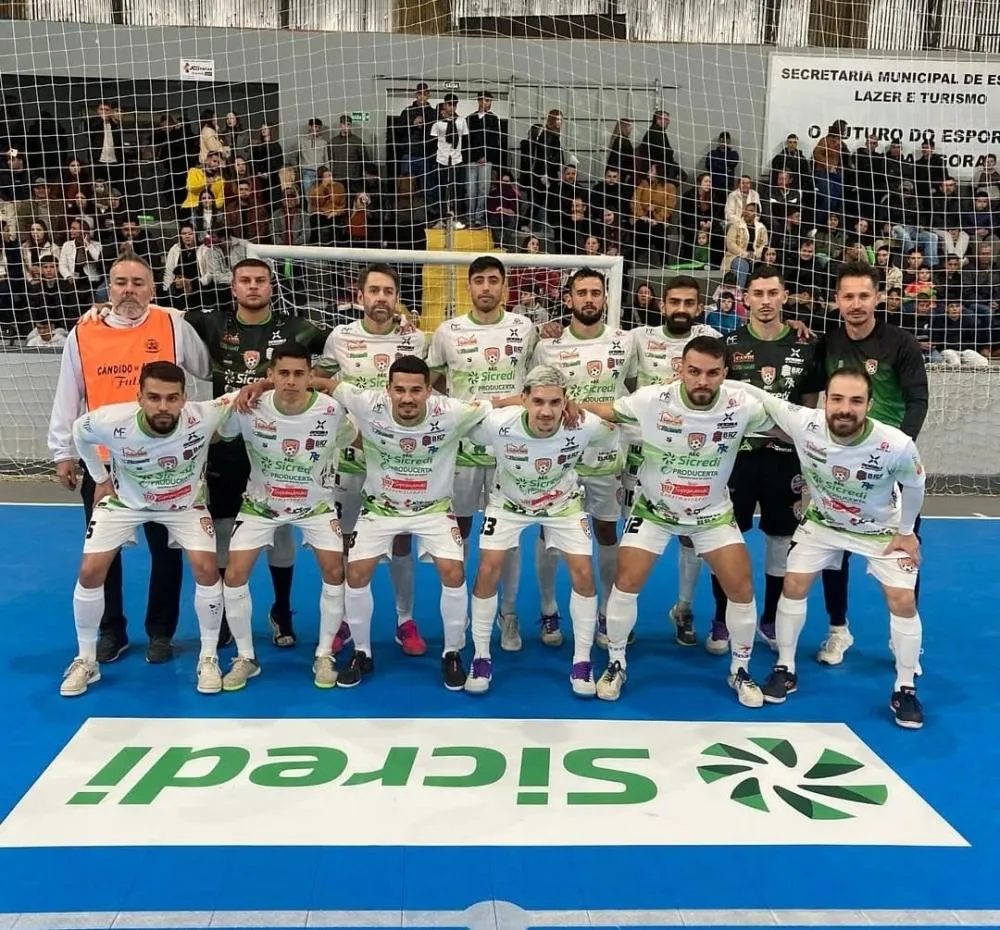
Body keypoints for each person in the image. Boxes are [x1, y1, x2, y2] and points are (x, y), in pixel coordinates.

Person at [582, 336, 773, 707]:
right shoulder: (652, 399)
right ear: (680, 370)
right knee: (626, 582)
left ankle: (741, 668)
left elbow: (790, 423)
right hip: (653, 511)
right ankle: (617, 662)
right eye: (694, 371)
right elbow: (606, 411)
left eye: (712, 373)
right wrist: (568, 407)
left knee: (742, 587)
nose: (703, 381)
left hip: (711, 515)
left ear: (725, 374)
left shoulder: (742, 405)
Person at [47, 255, 211, 664]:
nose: (129, 291)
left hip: (167, 458)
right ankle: (110, 631)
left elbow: (207, 368)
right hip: (105, 465)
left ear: (152, 290)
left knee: (167, 550)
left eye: (139, 283)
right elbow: (68, 393)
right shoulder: (83, 332)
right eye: (120, 282)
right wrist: (62, 451)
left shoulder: (172, 324)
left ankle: (161, 632)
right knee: (105, 554)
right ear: (108, 288)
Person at [745, 369, 927, 728]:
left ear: (869, 405)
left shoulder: (896, 444)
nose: (846, 409)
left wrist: (907, 532)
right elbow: (760, 396)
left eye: (856, 401)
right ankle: (785, 666)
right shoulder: (805, 422)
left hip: (879, 531)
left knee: (902, 601)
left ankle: (905, 687)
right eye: (838, 399)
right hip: (824, 524)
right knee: (793, 584)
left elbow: (916, 484)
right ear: (826, 400)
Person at [63, 361, 234, 697]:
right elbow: (79, 432)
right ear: (138, 396)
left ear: (185, 398)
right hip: (125, 503)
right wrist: (99, 478)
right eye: (154, 397)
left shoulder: (205, 414)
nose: (163, 406)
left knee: (206, 568)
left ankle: (209, 656)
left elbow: (243, 394)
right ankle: (86, 660)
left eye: (172, 398)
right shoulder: (112, 421)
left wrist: (257, 389)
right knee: (90, 571)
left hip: (184, 506)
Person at [185, 258, 330, 649]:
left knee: (279, 528)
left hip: (277, 447)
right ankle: (227, 617)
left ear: (272, 286)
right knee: (224, 527)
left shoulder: (297, 329)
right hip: (228, 444)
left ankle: (281, 610)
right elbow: (161, 315)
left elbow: (343, 345)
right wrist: (105, 308)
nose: (253, 287)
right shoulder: (211, 324)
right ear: (233, 287)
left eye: (261, 281)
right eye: (245, 281)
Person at [334, 355, 493, 690]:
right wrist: (261, 385)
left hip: (433, 510)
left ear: (428, 392)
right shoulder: (366, 403)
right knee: (356, 572)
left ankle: (451, 652)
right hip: (380, 509)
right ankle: (362, 653)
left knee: (454, 571)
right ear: (387, 389)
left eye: (416, 390)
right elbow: (326, 385)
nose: (407, 398)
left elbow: (494, 404)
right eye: (400, 390)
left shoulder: (451, 411)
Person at [464, 365, 614, 696]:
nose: (546, 411)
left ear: (565, 403)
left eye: (555, 402)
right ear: (526, 400)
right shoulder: (498, 424)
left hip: (563, 506)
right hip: (507, 504)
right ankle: (481, 656)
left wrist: (584, 408)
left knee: (584, 574)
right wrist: (498, 402)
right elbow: (466, 417)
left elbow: (619, 422)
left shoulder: (583, 425)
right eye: (539, 402)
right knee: (488, 568)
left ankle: (582, 661)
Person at [216, 343, 354, 691]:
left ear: (311, 377)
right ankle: (245, 657)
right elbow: (218, 433)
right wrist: (243, 394)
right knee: (234, 573)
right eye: (283, 373)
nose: (290, 381)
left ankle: (324, 653)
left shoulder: (332, 410)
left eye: (298, 374)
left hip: (316, 506)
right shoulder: (250, 407)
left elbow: (359, 441)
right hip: (260, 506)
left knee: (335, 569)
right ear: (270, 377)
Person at [812, 262, 929, 666]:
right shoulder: (828, 343)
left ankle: (903, 633)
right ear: (837, 301)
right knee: (833, 550)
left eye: (864, 295)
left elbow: (918, 401)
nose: (856, 304)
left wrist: (898, 453)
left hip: (890, 470)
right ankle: (837, 630)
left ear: (878, 297)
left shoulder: (901, 344)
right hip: (838, 467)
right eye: (848, 296)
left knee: (904, 549)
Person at [708, 264, 824, 655]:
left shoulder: (807, 344)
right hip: (736, 458)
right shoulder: (728, 343)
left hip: (786, 460)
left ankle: (770, 618)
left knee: (780, 539)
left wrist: (807, 455)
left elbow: (809, 407)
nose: (765, 301)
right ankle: (722, 618)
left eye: (773, 293)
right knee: (724, 538)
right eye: (757, 293)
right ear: (745, 299)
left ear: (785, 296)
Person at [319, 263, 429, 657]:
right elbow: (321, 382)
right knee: (348, 542)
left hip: (400, 463)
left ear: (397, 298)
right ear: (360, 295)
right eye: (374, 291)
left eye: (388, 291)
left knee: (400, 540)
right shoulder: (340, 337)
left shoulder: (416, 341)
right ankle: (347, 619)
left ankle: (405, 619)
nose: (381, 298)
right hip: (349, 460)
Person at [428, 256, 536, 650]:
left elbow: (538, 379)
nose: (486, 287)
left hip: (513, 450)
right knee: (460, 529)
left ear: (505, 287)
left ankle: (508, 614)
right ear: (468, 287)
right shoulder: (447, 331)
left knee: (507, 534)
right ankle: (467, 610)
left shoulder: (525, 329)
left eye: (494, 281)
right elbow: (432, 384)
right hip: (463, 452)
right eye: (479, 281)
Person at [526, 268, 633, 642]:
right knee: (549, 530)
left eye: (596, 292)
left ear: (605, 298)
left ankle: (605, 612)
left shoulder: (626, 341)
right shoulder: (547, 346)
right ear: (568, 299)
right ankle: (548, 609)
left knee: (606, 529)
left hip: (606, 457)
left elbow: (635, 392)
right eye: (581, 293)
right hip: (557, 456)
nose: (589, 299)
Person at [624, 276, 721, 644]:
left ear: (698, 307)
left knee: (690, 538)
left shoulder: (712, 339)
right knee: (632, 533)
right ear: (662, 305)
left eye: (689, 303)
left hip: (695, 457)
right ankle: (622, 612)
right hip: (644, 453)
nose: (681, 309)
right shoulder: (639, 337)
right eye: (674, 302)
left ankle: (684, 607)